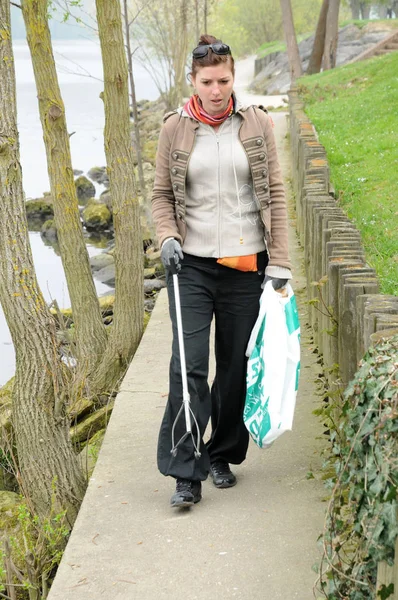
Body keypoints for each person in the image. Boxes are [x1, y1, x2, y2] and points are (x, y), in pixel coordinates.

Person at [151, 34, 292, 508]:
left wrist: (282, 265)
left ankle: (222, 454)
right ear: (192, 81)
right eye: (207, 81)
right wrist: (168, 237)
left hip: (245, 265)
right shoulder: (175, 127)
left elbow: (275, 191)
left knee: (235, 368)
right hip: (189, 265)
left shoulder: (256, 124)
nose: (216, 89)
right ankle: (185, 470)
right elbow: (161, 198)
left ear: (235, 78)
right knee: (188, 367)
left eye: (224, 80)